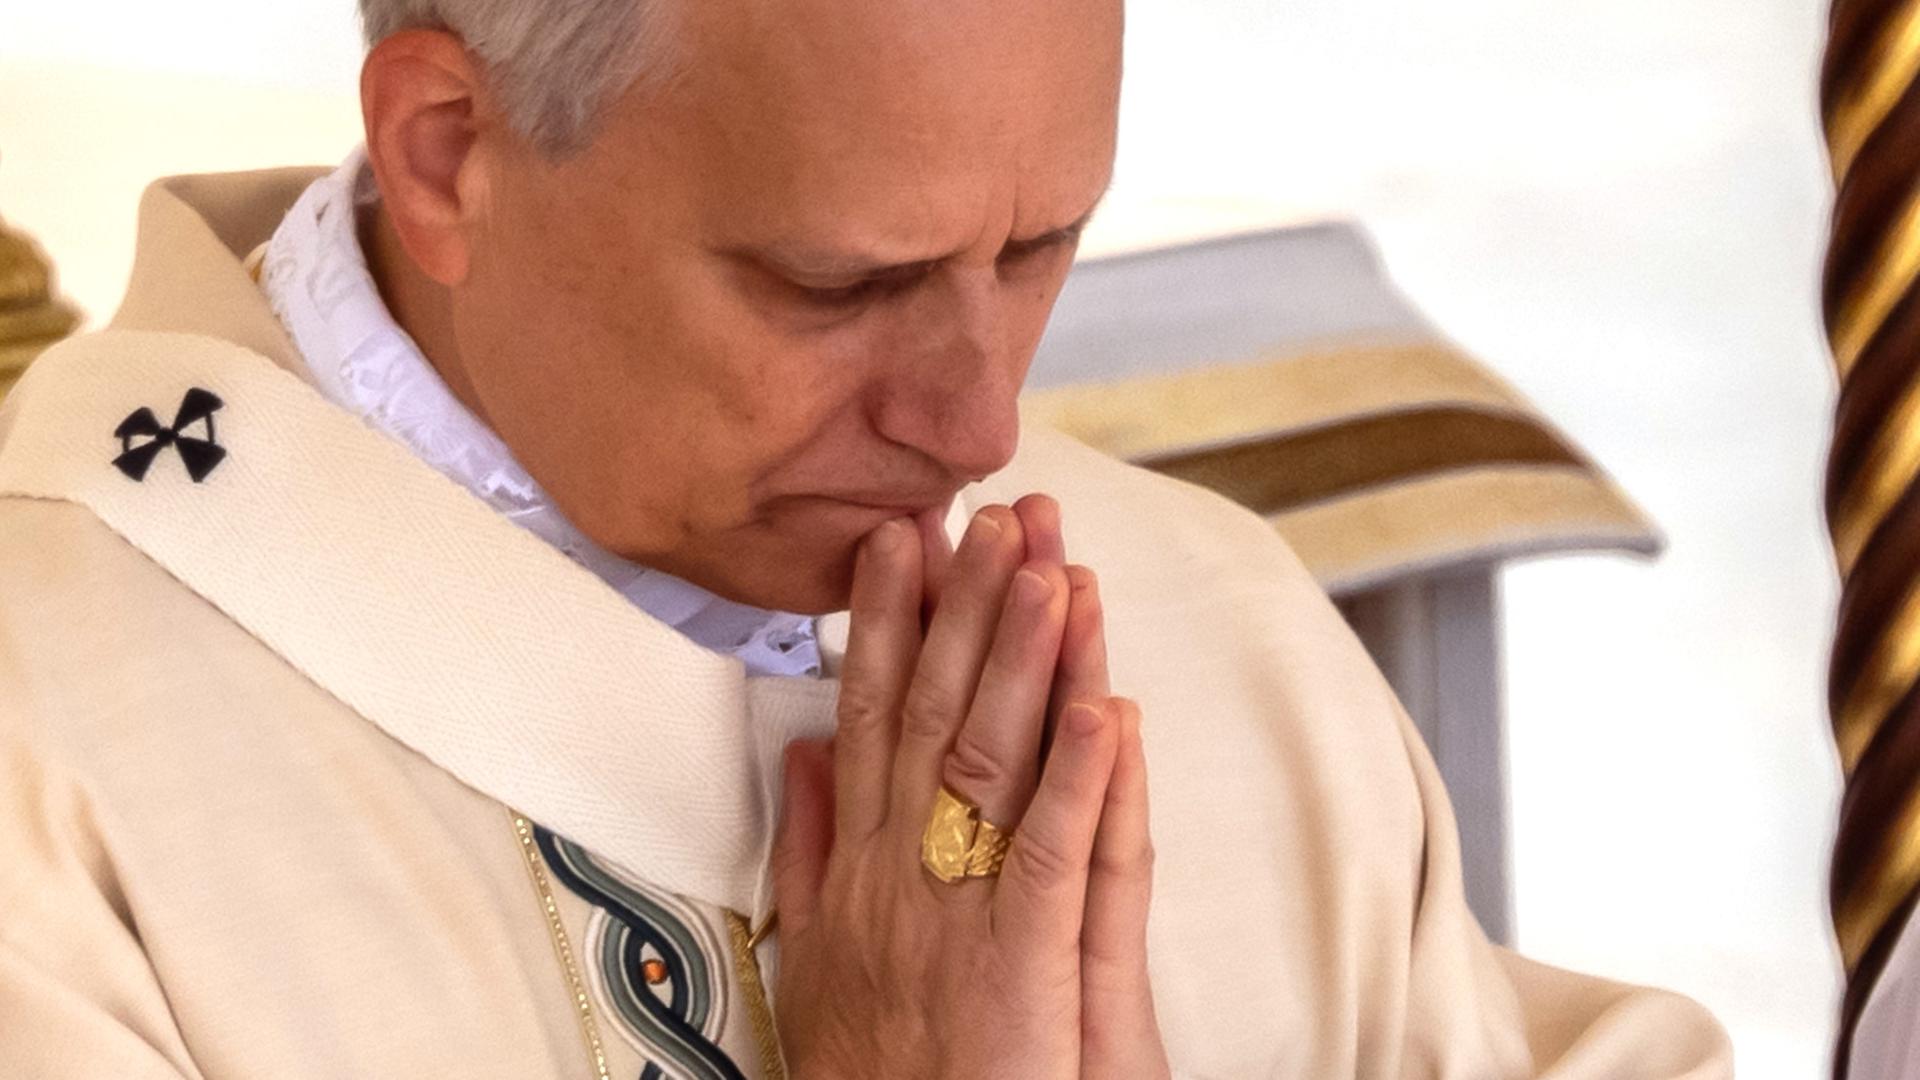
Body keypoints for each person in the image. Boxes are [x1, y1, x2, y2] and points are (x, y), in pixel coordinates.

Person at [0, 0, 1733, 1076]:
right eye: (844, 286)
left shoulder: (1219, 631)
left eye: (1041, 248)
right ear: (452, 151)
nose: (979, 429)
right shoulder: (53, 774)